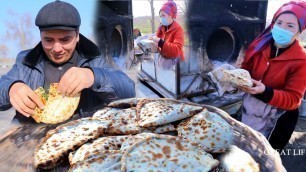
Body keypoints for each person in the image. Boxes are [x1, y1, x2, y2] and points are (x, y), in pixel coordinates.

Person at [0, 0, 135, 123]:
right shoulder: (26, 62)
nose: (57, 49)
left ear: (77, 36)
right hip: (29, 141)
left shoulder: (93, 59)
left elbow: (129, 91)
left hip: (81, 141)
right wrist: (11, 88)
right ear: (40, 37)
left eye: (65, 40)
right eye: (48, 40)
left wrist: (93, 75)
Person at [238, 1, 306, 150]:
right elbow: (247, 70)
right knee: (245, 150)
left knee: (265, 156)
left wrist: (266, 92)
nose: (282, 28)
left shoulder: (301, 60)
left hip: (277, 121)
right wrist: (237, 75)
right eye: (279, 22)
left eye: (290, 26)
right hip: (251, 110)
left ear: (299, 31)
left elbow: (294, 99)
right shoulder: (260, 46)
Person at [150, 0, 185, 69]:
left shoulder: (178, 30)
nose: (161, 18)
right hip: (164, 62)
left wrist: (160, 42)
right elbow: (158, 47)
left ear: (171, 16)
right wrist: (153, 45)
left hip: (176, 66)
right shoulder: (161, 28)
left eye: (163, 15)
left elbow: (176, 50)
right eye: (160, 16)